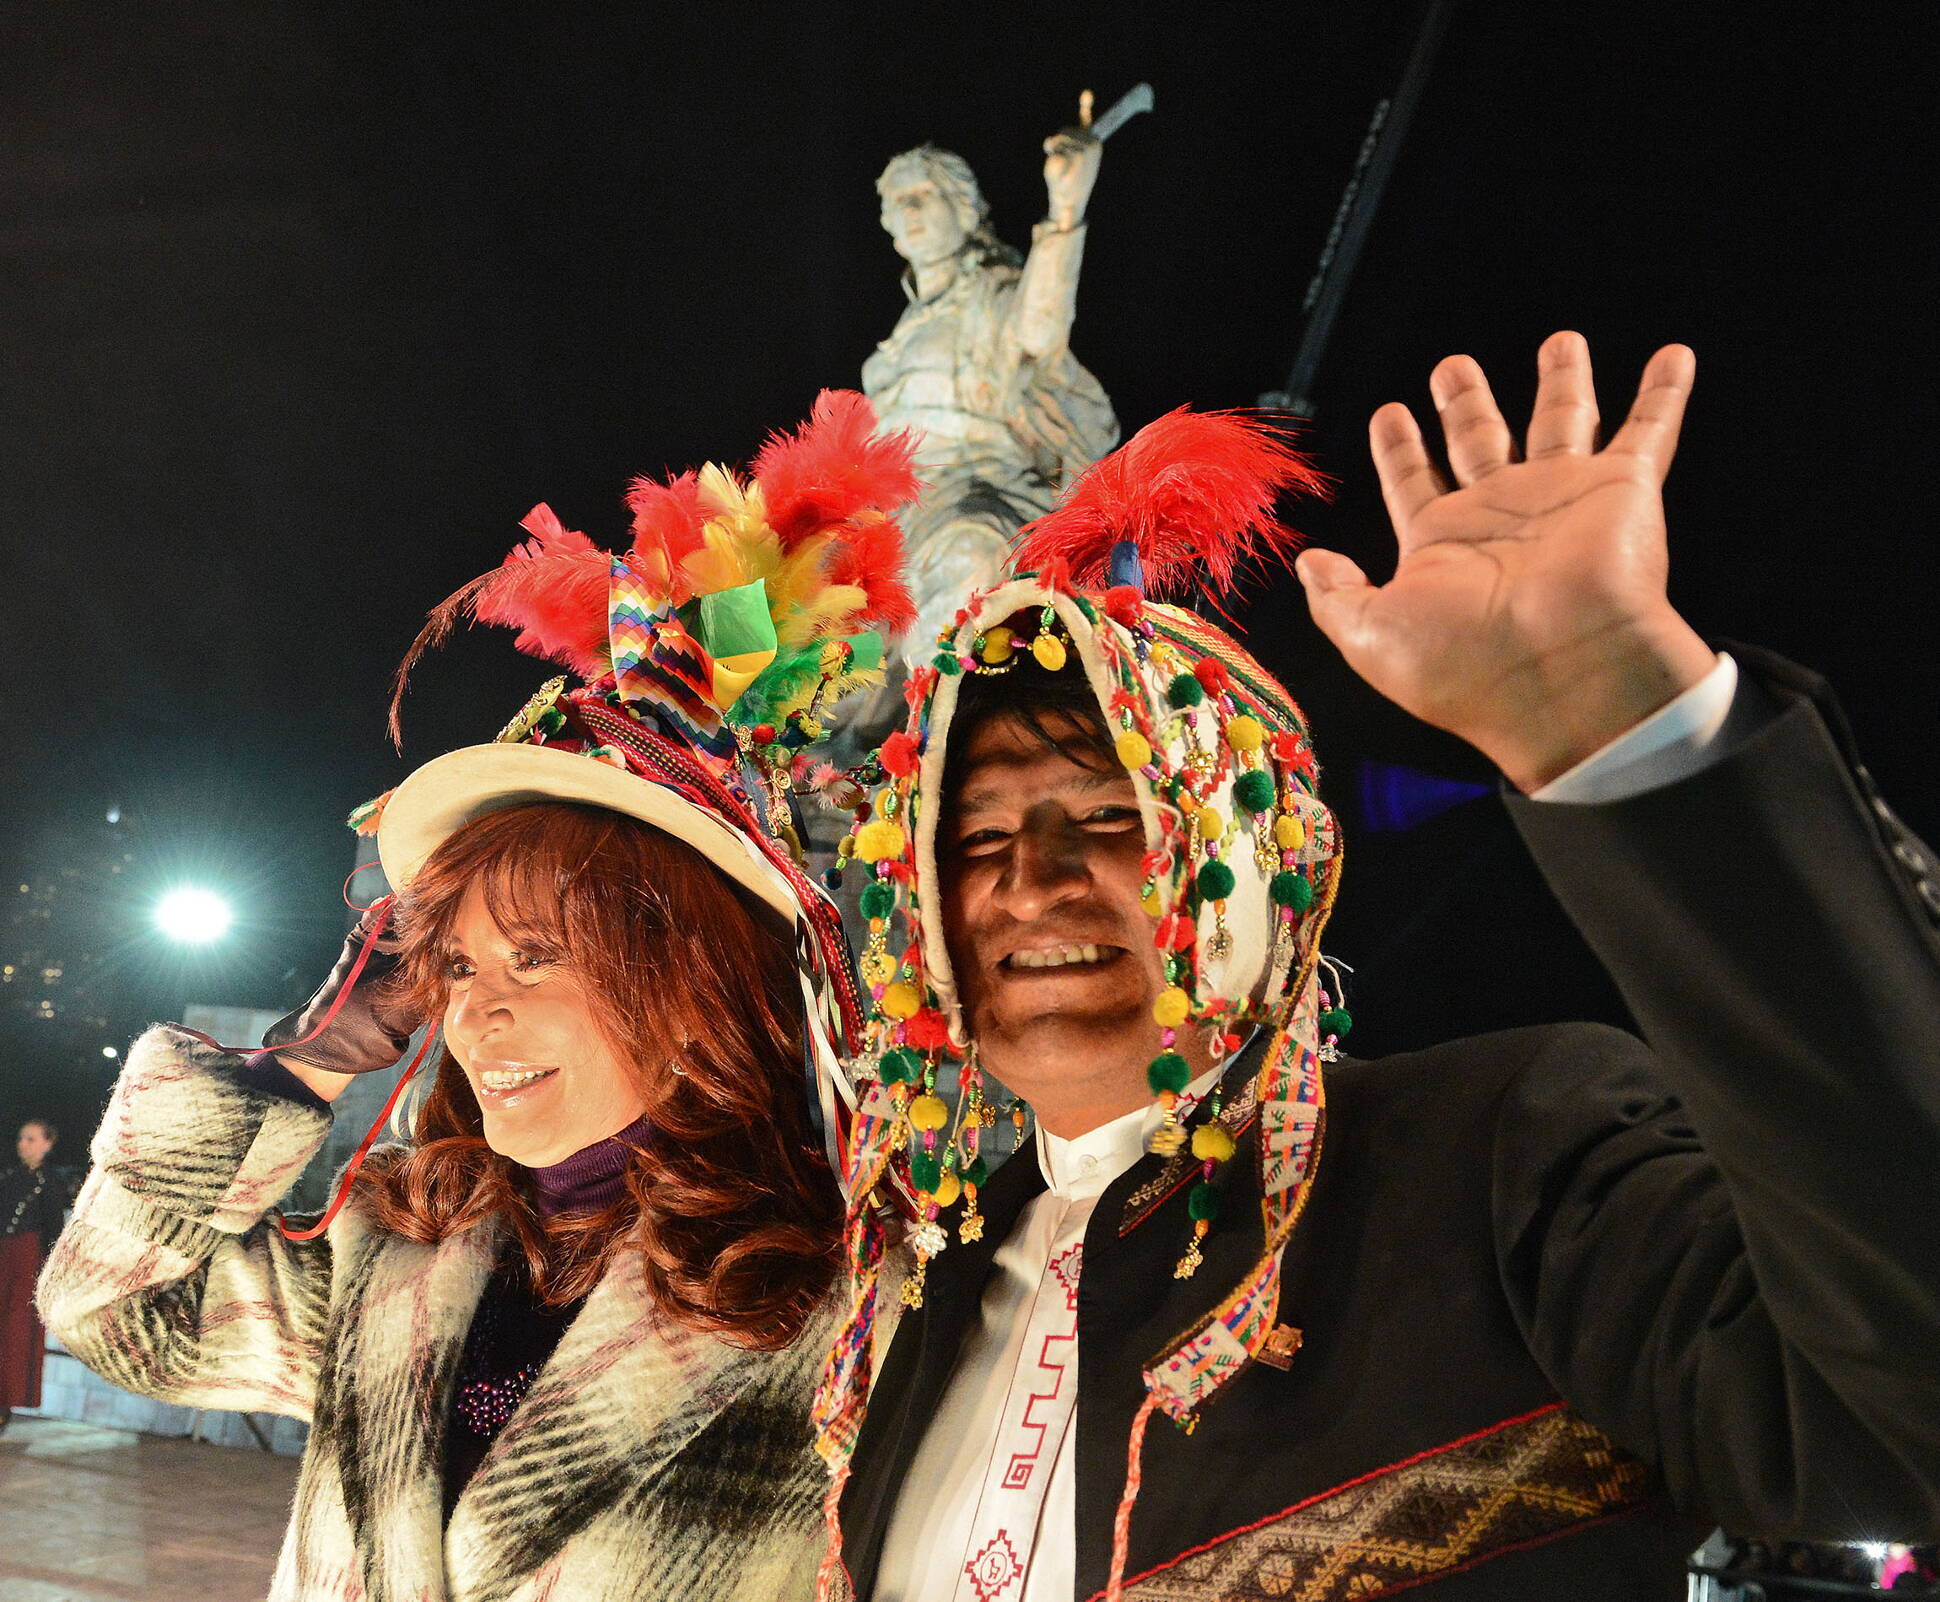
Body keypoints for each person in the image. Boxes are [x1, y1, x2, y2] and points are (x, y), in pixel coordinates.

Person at [809, 334, 1940, 1600]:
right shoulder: (904, 1300)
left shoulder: (1504, 1154)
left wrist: (1624, 728)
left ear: (1250, 861)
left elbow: (1902, 1413)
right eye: (974, 838)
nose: (1029, 881)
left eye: (1110, 815)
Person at [38, 393, 921, 1601]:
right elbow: (105, 1310)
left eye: (542, 958)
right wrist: (310, 1059)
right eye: (457, 965)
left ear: (691, 980)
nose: (477, 1014)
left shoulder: (843, 1303)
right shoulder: (401, 1255)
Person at [863, 135, 1119, 666]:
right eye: (897, 200)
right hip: (896, 522)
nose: (908, 210)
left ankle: (932, 730)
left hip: (984, 497)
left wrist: (1066, 211)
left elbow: (1039, 332)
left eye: (925, 195)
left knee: (969, 559)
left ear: (966, 211)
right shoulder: (891, 349)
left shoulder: (993, 295)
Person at [2, 1117, 70, 1431]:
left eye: (30, 1139)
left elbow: (54, 1229)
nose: (23, 1144)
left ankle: (6, 1401)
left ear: (47, 1144)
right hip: (4, 1255)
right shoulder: (11, 1176)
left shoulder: (51, 1180)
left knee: (17, 1330)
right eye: (22, 1138)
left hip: (28, 1259)